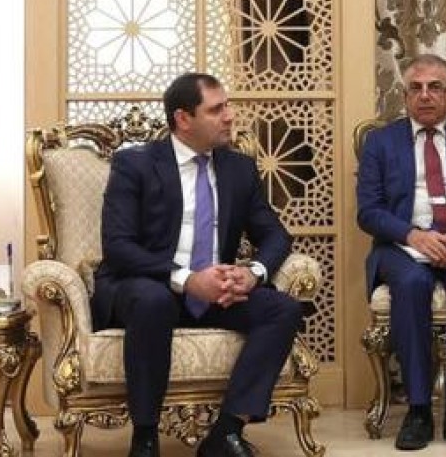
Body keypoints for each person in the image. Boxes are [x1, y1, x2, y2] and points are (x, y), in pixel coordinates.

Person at [90, 72, 301, 457]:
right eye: (216, 110)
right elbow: (118, 247)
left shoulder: (239, 168)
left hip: (215, 291)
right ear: (183, 119)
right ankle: (145, 437)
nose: (230, 116)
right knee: (153, 300)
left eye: (228, 106)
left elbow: (275, 235)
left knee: (282, 309)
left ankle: (226, 432)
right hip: (148, 284)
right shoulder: (135, 164)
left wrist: (252, 274)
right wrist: (187, 280)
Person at [356, 54, 446, 450]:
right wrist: (413, 236)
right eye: (416, 88)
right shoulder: (380, 143)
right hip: (403, 247)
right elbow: (368, 211)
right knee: (411, 285)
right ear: (405, 95)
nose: (425, 95)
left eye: (434, 87)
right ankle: (418, 410)